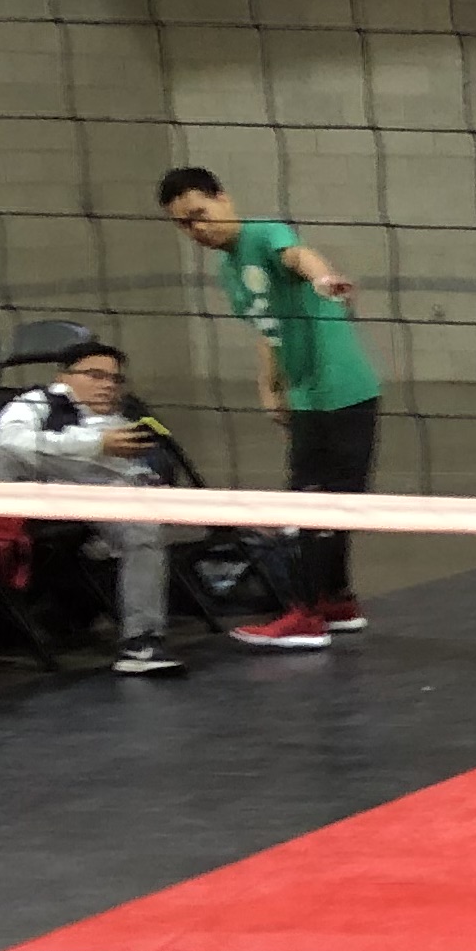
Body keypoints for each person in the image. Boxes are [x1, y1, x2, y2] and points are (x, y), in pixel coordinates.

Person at [158, 166, 382, 650]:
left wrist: (323, 277)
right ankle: (336, 602)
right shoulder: (228, 269)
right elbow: (268, 329)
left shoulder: (263, 234)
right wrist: (271, 387)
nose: (196, 229)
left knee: (311, 505)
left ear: (223, 198)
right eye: (183, 224)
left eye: (200, 214)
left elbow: (297, 255)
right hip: (306, 396)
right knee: (326, 504)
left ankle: (305, 616)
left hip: (341, 391)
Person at [0, 338, 191, 676]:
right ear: (63, 377)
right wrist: (96, 444)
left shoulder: (125, 420)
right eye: (95, 375)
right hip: (39, 484)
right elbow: (11, 443)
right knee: (3, 455)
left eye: (115, 379)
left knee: (143, 531)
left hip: (102, 491)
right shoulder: (35, 403)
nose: (108, 385)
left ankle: (142, 643)